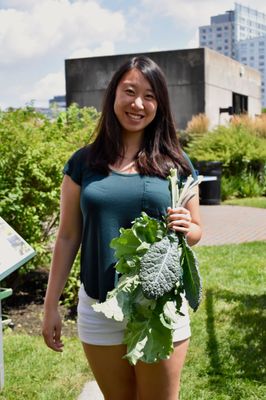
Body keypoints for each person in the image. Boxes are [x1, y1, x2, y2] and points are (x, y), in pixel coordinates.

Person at [42, 55, 202, 400]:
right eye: (129, 91)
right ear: (113, 94)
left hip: (160, 308)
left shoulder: (175, 163)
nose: (138, 103)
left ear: (160, 104)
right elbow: (69, 236)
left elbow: (195, 232)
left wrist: (187, 226)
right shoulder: (83, 163)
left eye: (149, 95)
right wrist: (51, 304)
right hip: (100, 307)